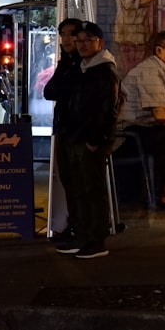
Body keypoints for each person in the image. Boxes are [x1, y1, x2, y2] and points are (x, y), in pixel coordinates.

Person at [58, 22, 121, 259]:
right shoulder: (83, 67)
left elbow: (107, 109)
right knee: (79, 189)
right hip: (76, 137)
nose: (82, 45)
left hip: (90, 140)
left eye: (88, 40)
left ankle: (97, 240)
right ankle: (83, 236)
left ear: (100, 43)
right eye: (80, 40)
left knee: (92, 190)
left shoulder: (104, 71)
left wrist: (95, 139)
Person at [120, 30, 165, 213]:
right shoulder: (150, 71)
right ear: (159, 51)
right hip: (130, 134)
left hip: (148, 125)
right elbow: (161, 115)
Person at [42, 17, 84, 244]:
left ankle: (81, 229)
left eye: (71, 34)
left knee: (79, 184)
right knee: (70, 182)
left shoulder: (83, 63)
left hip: (78, 132)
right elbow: (49, 91)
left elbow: (60, 90)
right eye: (63, 35)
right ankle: (73, 226)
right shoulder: (66, 62)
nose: (66, 39)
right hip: (65, 129)